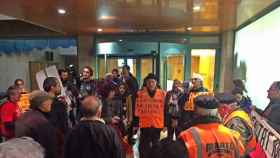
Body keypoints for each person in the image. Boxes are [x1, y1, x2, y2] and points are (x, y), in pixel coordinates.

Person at [154, 95, 245, 158]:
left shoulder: (188, 137)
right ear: (217, 113)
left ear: (195, 113)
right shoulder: (234, 136)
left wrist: (163, 142)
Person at [15, 91, 59, 158]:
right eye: (49, 101)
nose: (51, 102)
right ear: (42, 103)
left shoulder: (24, 116)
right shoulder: (41, 122)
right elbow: (49, 147)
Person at [135, 73, 166, 158]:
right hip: (145, 124)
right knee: (143, 146)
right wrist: (135, 124)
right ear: (146, 83)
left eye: (153, 82)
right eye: (149, 82)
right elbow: (137, 109)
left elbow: (165, 109)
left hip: (157, 124)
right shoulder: (140, 94)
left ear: (156, 83)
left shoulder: (162, 94)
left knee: (156, 146)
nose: (151, 84)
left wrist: (165, 124)